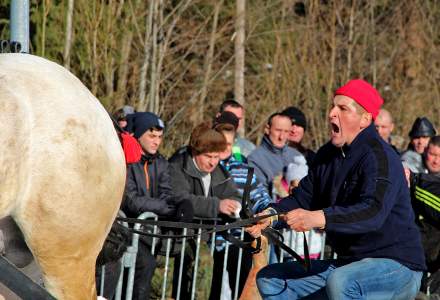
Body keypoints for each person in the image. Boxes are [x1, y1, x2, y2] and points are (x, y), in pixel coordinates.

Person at [246, 79, 426, 299]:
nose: (332, 113)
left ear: (365, 119)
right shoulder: (326, 156)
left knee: (341, 282)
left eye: (342, 108)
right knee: (271, 279)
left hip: (398, 266)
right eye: (332, 106)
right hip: (350, 264)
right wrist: (271, 216)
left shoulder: (380, 157)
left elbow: (373, 213)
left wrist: (318, 218)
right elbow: (303, 199)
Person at [168, 122, 241, 299]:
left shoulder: (220, 173)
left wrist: (235, 206)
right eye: (209, 156)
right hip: (172, 237)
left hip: (201, 239)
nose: (213, 162)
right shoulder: (176, 167)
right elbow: (180, 198)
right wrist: (217, 206)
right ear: (195, 152)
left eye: (217, 157)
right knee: (167, 289)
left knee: (202, 279)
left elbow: (234, 195)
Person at [209, 112, 272, 300]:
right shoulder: (207, 167)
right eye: (220, 145)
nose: (224, 150)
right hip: (210, 243)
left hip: (238, 243)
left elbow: (261, 196)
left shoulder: (243, 169)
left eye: (228, 145)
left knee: (241, 290)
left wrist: (267, 211)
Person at [121, 112, 177, 300]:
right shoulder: (126, 161)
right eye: (151, 136)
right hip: (125, 230)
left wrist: (176, 206)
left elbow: (167, 194)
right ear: (137, 135)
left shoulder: (160, 162)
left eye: (160, 137)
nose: (157, 142)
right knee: (145, 265)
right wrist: (166, 207)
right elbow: (130, 200)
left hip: (150, 232)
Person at [407, 136, 440, 297]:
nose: (436, 160)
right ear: (426, 152)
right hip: (413, 252)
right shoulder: (410, 167)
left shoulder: (417, 181)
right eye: (433, 155)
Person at [247, 112, 303, 196]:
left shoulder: (297, 156)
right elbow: (258, 195)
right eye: (278, 130)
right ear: (267, 129)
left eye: (286, 131)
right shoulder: (255, 159)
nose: (281, 137)